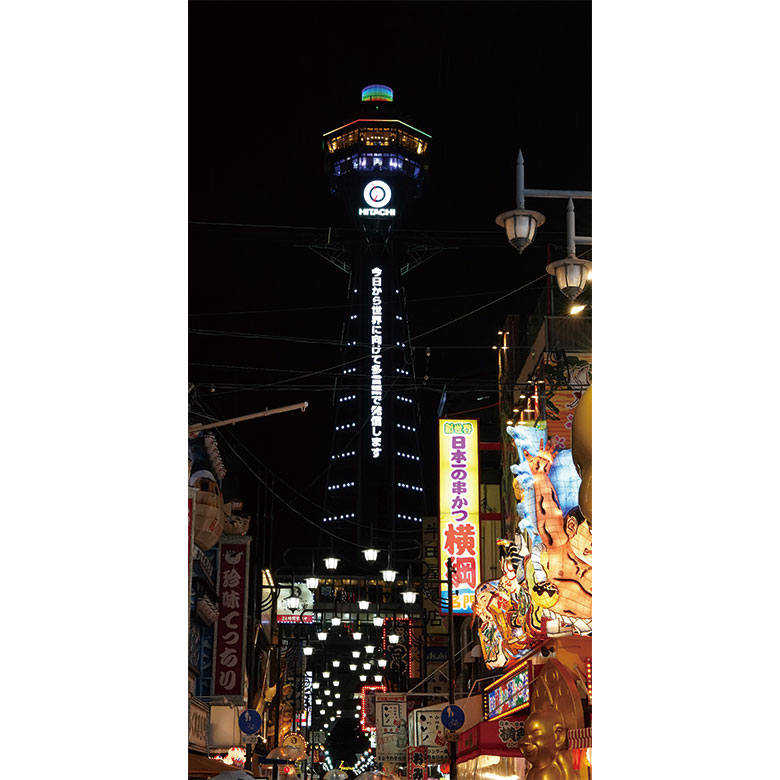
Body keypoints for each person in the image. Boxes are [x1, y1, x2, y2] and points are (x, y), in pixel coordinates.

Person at [523, 440, 592, 621]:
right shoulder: (561, 549)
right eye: (592, 532)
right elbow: (549, 518)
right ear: (571, 527)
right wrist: (540, 476)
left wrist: (540, 476)